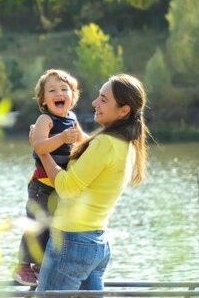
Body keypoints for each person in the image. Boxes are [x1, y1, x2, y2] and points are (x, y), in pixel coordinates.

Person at [31, 73, 148, 294]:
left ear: (124, 111)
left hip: (72, 241)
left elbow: (65, 188)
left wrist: (42, 151)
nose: (94, 103)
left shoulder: (104, 143)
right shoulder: (127, 145)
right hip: (97, 242)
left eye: (103, 99)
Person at [13, 69, 86, 286]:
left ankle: (39, 264)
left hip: (60, 186)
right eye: (52, 90)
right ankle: (22, 266)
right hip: (42, 185)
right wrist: (62, 137)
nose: (59, 93)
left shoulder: (72, 118)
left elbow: (84, 140)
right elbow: (39, 145)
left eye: (64, 89)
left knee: (53, 227)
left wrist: (99, 142)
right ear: (43, 99)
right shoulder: (46, 119)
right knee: (37, 225)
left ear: (72, 96)